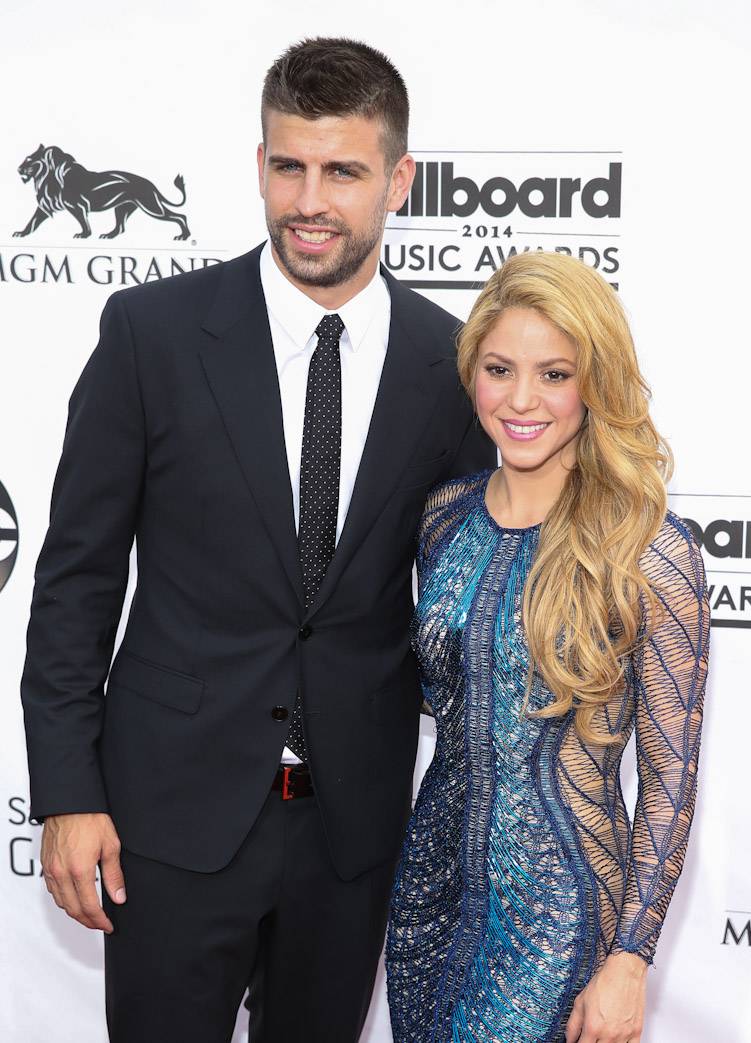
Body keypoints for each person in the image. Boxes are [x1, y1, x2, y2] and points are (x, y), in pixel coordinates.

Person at [20, 37, 495, 1043]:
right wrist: (66, 791)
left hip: (351, 830)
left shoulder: (451, 363)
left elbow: (472, 588)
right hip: (167, 819)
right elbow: (75, 581)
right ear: (259, 165)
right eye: (288, 166)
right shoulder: (151, 333)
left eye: (342, 171)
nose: (309, 201)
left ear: (398, 181)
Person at [386, 251, 710, 1043]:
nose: (522, 399)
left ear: (593, 382)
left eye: (554, 374)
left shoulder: (647, 549)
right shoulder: (443, 518)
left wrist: (629, 959)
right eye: (500, 369)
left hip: (561, 909)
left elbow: (669, 776)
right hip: (428, 893)